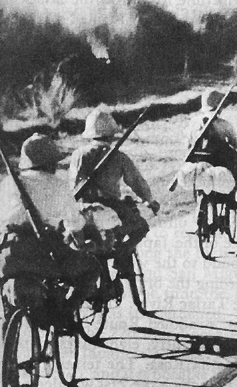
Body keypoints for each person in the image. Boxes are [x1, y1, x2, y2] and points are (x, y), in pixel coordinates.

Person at [1, 133, 100, 331]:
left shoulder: (9, 183)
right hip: (45, 250)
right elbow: (75, 224)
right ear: (50, 163)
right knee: (91, 268)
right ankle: (66, 312)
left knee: (7, 299)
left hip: (8, 250)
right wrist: (81, 246)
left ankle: (7, 353)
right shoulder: (58, 185)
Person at [69, 108, 160, 276]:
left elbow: (73, 184)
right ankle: (121, 254)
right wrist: (149, 200)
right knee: (141, 227)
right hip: (111, 208)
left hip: (83, 208)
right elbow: (136, 182)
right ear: (110, 135)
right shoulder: (118, 156)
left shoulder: (78, 155)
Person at [185, 88, 237, 210]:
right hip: (219, 160)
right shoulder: (223, 124)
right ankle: (231, 197)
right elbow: (235, 141)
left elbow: (188, 142)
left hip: (198, 158)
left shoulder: (194, 122)